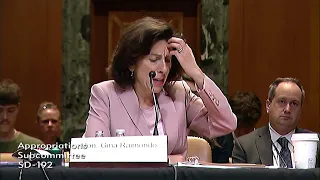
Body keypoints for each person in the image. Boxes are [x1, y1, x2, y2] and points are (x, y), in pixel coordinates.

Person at [83, 17, 237, 162]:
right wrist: (164, 160)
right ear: (131, 63)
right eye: (154, 59)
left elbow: (225, 124)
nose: (163, 68)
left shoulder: (178, 93)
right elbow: (94, 153)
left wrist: (196, 73)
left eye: (168, 60)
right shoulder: (105, 94)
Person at [232, 77, 320, 168]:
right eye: (282, 101)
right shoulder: (245, 146)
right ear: (268, 106)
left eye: (294, 103)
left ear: (300, 110)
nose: (287, 109)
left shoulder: (317, 144)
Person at [212, 91, 262, 163]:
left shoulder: (262, 142)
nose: (242, 132)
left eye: (247, 128)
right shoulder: (218, 141)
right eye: (238, 127)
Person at [0, 79, 43, 153]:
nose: (5, 117)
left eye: (10, 111)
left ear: (18, 108)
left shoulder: (34, 147)